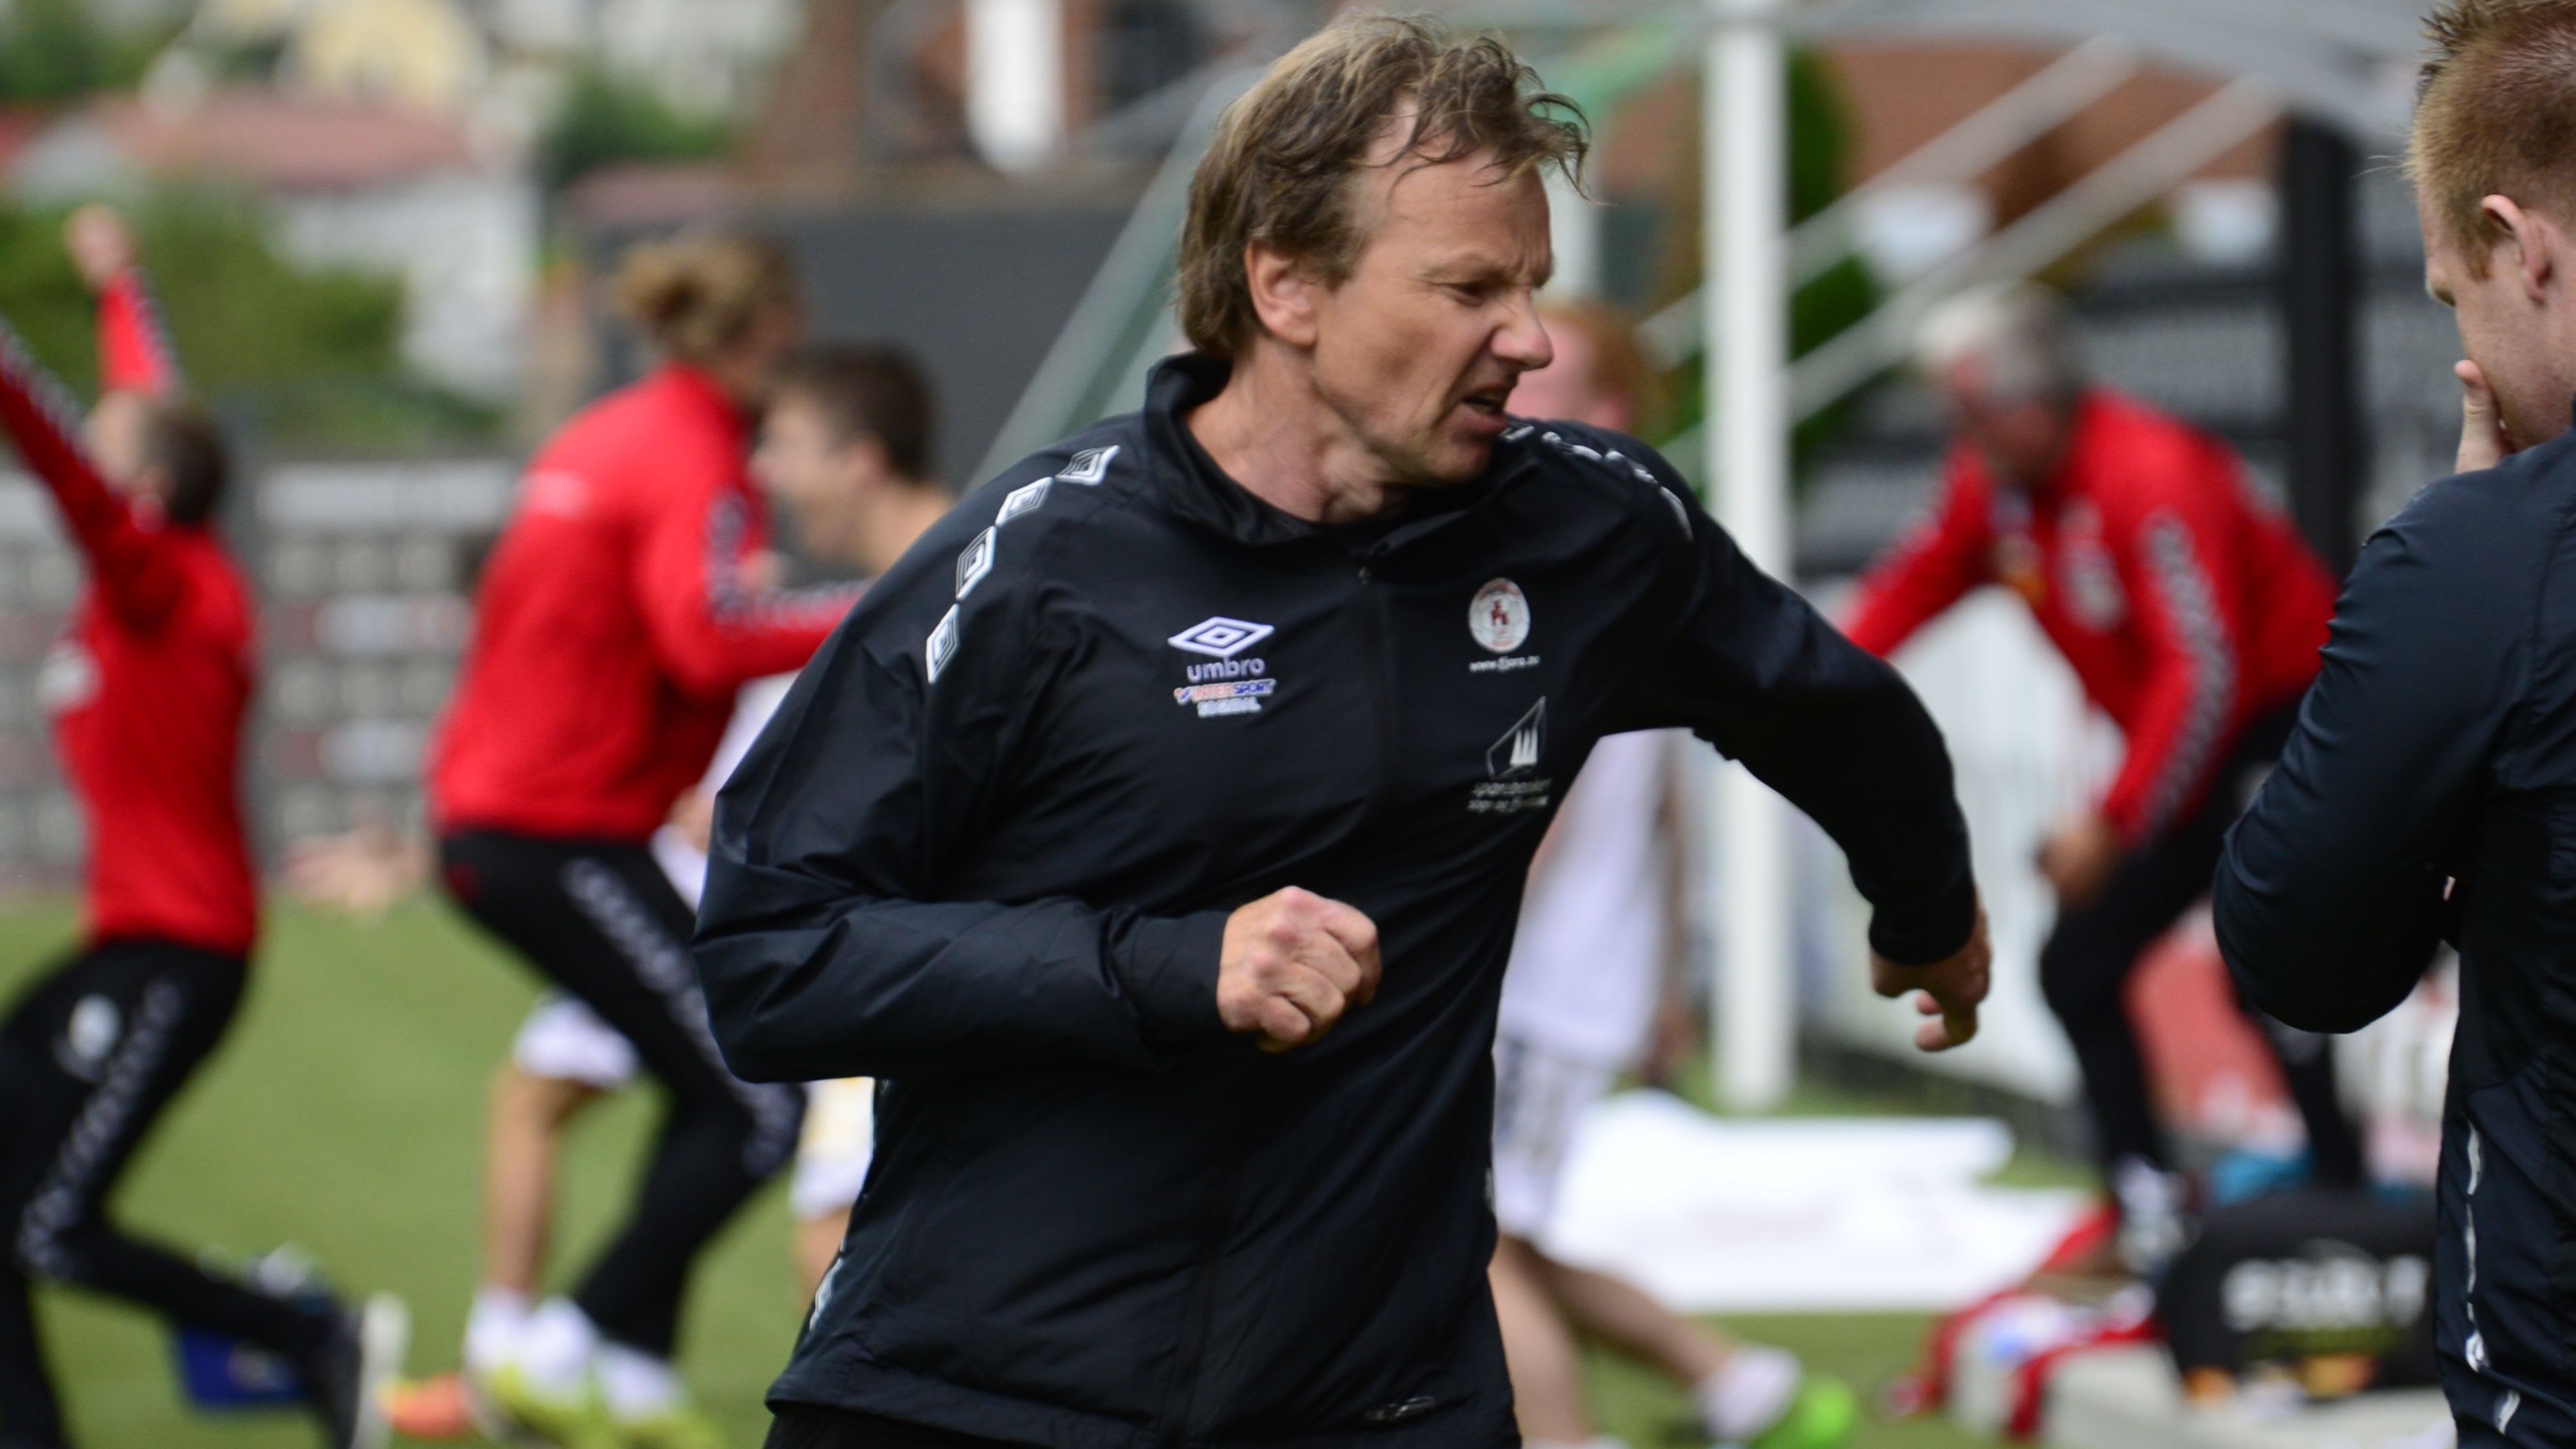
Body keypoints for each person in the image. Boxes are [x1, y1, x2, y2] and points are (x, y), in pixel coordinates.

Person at [694, 17, 1990, 1448]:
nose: (1529, 339)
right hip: (982, 1397)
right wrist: (1169, 966)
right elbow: (772, 956)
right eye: (1469, 287)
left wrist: (1926, 905)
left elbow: (1839, 715)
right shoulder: (1037, 566)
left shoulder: (1590, 530)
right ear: (1287, 286)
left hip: (1384, 1401)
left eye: (1532, 284)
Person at [2212, 3, 2576, 1441]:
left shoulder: (2489, 555)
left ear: (2518, 246)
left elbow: (2298, 950)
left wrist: (2463, 550)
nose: (2464, 342)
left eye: (2451, 297)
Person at [427, 234, 857, 1449]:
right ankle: (553, 1350)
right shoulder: (696, 452)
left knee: (709, 1084)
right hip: (557, 830)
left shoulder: (612, 431)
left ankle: (627, 1373)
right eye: (790, 325)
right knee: (758, 1100)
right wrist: (873, 607)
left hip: (519, 819)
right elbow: (704, 637)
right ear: (756, 333)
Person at [1840, 282, 2363, 1269]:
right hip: (2195, 745)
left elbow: (2205, 674)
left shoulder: (2152, 474)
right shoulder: (1992, 483)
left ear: (2035, 400)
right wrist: (1805, 681)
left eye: (1972, 410)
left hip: (2289, 730)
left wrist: (2116, 823)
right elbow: (1912, 585)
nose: (1957, 434)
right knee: (2078, 967)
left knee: (2268, 965)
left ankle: (2344, 1197)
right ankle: (2146, 1205)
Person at [0, 207, 403, 1449]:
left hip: (180, 954)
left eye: (113, 441)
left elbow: (69, 462)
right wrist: (120, 282)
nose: (98, 425)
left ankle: (306, 1335)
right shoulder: (168, 551)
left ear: (150, 492)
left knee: (53, 1226)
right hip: (129, 946)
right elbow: (152, 400)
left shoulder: (161, 582)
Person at [1486, 301, 1849, 1449]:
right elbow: (1663, 807)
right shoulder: (1634, 559)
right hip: (1573, 980)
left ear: (1607, 408)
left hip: (1535, 984)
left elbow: (1534, 807)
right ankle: (1744, 1386)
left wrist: (1442, 949)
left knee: (1467, 1244)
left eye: (1545, 380)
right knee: (1500, 1236)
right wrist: (1666, 981)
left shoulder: (1561, 564)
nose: (1511, 389)